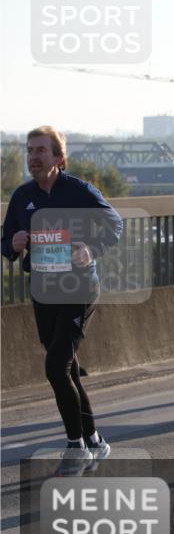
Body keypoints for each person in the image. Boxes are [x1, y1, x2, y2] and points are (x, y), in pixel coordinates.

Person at [1, 126, 122, 475]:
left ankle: (76, 447)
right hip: (44, 293)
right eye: (29, 150)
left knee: (55, 367)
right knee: (66, 368)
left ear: (58, 158)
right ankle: (95, 439)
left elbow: (114, 224)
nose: (33, 157)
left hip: (80, 289)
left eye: (41, 150)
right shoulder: (22, 196)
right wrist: (15, 243)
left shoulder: (78, 191)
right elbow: (5, 243)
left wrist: (91, 249)